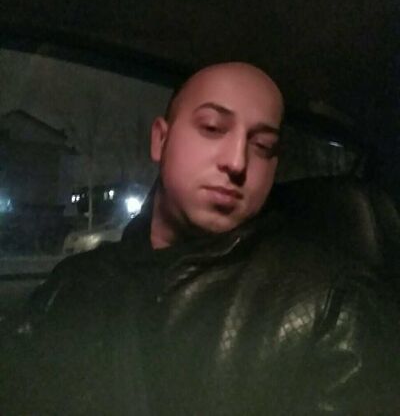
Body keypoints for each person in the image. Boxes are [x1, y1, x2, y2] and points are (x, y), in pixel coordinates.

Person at [0, 62, 399, 415]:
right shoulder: (74, 283)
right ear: (160, 140)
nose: (237, 162)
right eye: (211, 128)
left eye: (263, 146)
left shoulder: (331, 305)